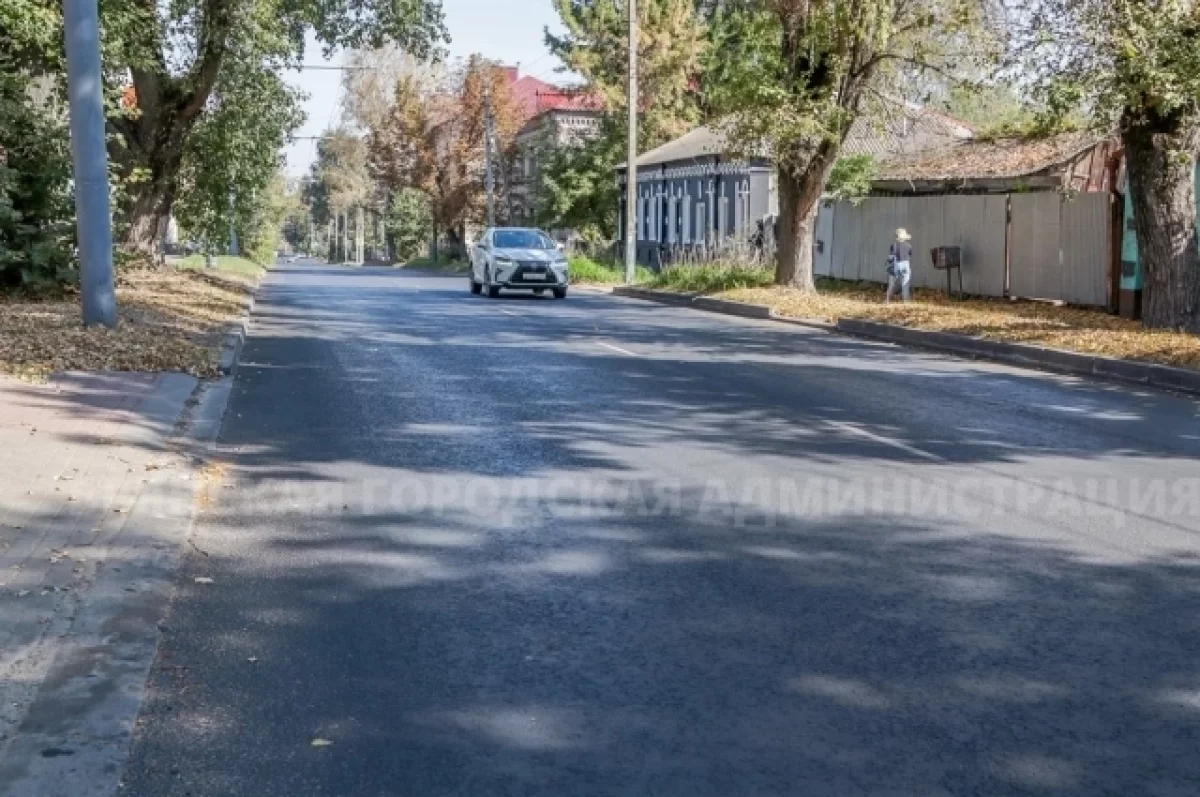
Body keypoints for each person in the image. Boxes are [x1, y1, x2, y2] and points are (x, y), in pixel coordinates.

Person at [886, 228, 913, 303]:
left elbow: (891, 256)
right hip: (905, 265)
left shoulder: (893, 245)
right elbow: (910, 254)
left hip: (895, 265)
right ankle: (906, 301)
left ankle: (887, 300)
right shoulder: (909, 246)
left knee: (891, 284)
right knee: (905, 284)